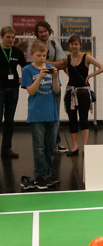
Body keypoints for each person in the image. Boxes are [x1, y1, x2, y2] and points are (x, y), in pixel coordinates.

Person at [21, 40, 60, 190]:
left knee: (50, 147)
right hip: (36, 113)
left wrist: (55, 77)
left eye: (44, 55)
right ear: (32, 55)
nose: (42, 58)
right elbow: (31, 91)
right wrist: (40, 77)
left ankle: (48, 173)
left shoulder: (52, 68)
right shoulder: (27, 70)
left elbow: (56, 90)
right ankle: (40, 176)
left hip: (51, 113)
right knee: (39, 147)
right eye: (39, 55)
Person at [27, 21, 67, 152]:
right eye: (40, 32)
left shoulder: (55, 45)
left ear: (49, 32)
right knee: (39, 116)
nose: (44, 34)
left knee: (55, 114)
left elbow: (63, 64)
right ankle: (43, 144)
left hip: (53, 84)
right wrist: (51, 64)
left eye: (45, 31)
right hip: (38, 86)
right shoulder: (32, 46)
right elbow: (31, 64)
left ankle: (55, 143)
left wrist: (44, 62)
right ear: (36, 33)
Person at [63, 35, 103, 156]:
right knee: (72, 120)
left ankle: (85, 146)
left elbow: (102, 67)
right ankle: (75, 146)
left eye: (76, 44)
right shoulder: (68, 58)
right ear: (69, 46)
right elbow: (63, 68)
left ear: (80, 45)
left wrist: (90, 75)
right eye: (72, 44)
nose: (74, 46)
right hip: (71, 92)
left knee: (83, 119)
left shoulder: (86, 57)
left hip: (83, 93)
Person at [0, 26, 26, 158]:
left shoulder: (17, 52)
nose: (10, 40)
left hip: (13, 89)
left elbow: (25, 67)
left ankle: (6, 149)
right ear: (2, 37)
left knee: (9, 120)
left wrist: (23, 78)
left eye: (12, 37)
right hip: (0, 88)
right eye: (8, 37)